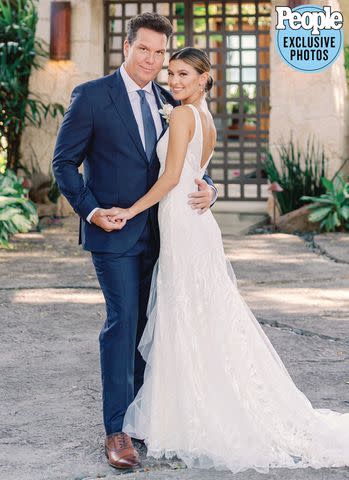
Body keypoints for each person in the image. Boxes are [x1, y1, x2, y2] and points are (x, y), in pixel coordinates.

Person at [112, 47, 349, 474]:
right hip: (195, 222)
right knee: (201, 311)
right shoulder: (207, 119)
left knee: (186, 309)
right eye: (172, 74)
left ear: (205, 78)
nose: (175, 81)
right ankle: (199, 397)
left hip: (183, 222)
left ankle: (188, 410)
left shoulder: (183, 116)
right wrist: (210, 192)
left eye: (184, 74)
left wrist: (130, 210)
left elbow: (171, 178)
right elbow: (199, 177)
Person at [52, 13, 218, 470]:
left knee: (156, 325)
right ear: (126, 48)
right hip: (115, 232)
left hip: (168, 235)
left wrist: (211, 188)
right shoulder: (91, 96)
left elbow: (187, 167)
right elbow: (63, 164)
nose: (152, 59)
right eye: (143, 49)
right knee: (124, 322)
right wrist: (90, 209)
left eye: (160, 52)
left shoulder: (172, 98)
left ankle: (147, 417)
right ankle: (117, 430)